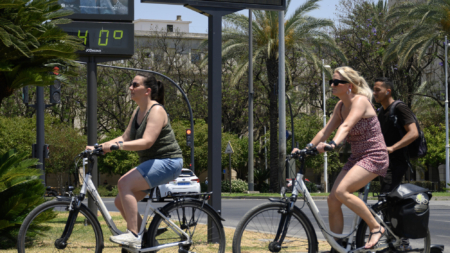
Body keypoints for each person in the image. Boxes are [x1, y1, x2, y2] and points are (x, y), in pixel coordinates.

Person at [292, 67, 389, 250]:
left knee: (343, 191)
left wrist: (333, 144)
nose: (333, 85)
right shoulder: (340, 106)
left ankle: (376, 227)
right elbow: (324, 131)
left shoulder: (360, 101)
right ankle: (338, 246)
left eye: (337, 82)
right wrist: (306, 148)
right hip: (357, 157)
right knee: (333, 199)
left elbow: (346, 126)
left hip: (374, 155)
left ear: (349, 86)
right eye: (331, 82)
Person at [86, 73, 183, 249]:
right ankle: (147, 240)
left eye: (134, 85)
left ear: (147, 91)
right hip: (153, 163)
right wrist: (98, 147)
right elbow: (124, 137)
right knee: (119, 201)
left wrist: (117, 147)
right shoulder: (138, 111)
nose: (130, 88)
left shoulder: (157, 110)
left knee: (124, 183)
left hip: (168, 162)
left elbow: (147, 142)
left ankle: (133, 235)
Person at [373, 77, 419, 251]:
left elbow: (413, 133)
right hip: (385, 163)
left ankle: (402, 241)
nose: (374, 93)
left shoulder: (399, 107)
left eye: (377, 89)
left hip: (397, 162)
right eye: (374, 89)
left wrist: (393, 148)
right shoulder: (381, 112)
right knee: (387, 202)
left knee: (388, 199)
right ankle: (395, 238)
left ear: (388, 91)